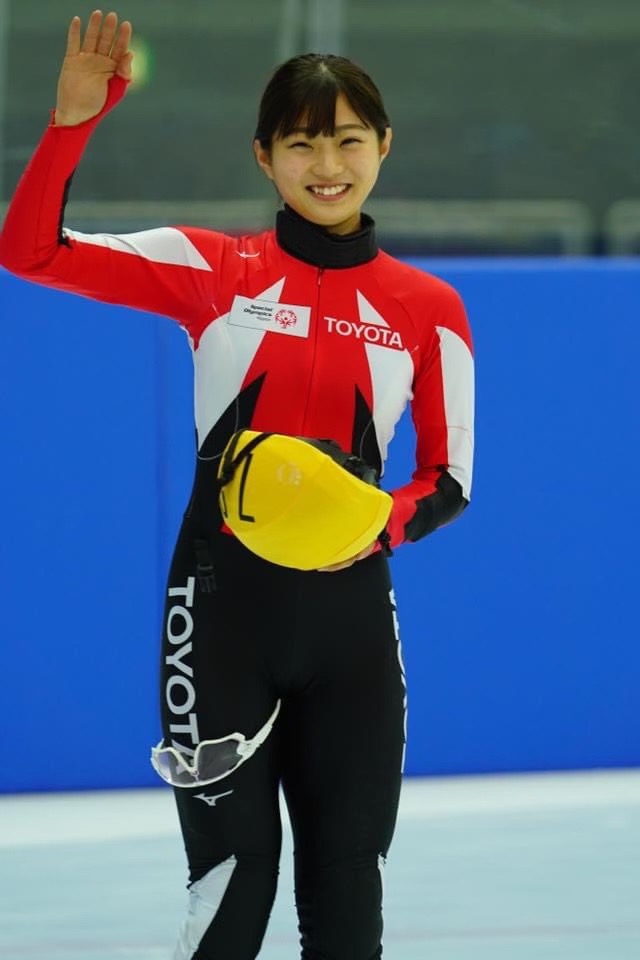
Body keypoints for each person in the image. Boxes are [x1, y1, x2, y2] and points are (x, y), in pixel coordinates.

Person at [0, 10, 474, 960]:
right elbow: (29, 251)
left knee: (347, 892)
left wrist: (373, 527)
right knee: (233, 889)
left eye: (347, 138)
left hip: (351, 627)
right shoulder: (210, 271)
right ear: (266, 157)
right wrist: (71, 126)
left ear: (383, 145)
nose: (326, 162)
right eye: (302, 142)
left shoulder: (428, 307)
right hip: (219, 613)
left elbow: (449, 479)